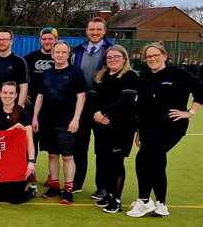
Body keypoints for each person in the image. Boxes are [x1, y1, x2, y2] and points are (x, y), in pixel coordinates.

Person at [126, 42, 203, 218]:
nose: (152, 59)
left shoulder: (178, 73)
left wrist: (190, 112)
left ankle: (144, 201)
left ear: (164, 56)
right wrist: (139, 131)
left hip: (171, 126)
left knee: (144, 157)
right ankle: (161, 203)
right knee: (156, 161)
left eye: (156, 55)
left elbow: (202, 90)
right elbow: (141, 106)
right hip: (148, 127)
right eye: (149, 56)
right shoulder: (145, 78)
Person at [33, 40, 87, 204]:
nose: (60, 55)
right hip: (48, 121)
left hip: (67, 122)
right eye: (57, 52)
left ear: (68, 54)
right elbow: (40, 96)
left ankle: (68, 189)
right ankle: (54, 187)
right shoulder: (47, 73)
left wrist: (76, 119)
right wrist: (35, 117)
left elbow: (81, 97)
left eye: (64, 52)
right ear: (52, 54)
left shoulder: (75, 73)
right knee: (53, 155)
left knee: (67, 157)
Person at [87, 45, 139, 214]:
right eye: (109, 58)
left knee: (116, 163)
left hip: (121, 128)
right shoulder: (101, 76)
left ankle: (116, 200)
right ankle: (109, 195)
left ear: (124, 58)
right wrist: (96, 113)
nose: (112, 60)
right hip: (102, 127)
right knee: (105, 162)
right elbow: (92, 97)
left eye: (116, 57)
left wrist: (104, 113)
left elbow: (127, 100)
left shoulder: (130, 76)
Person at [71, 17, 113, 198]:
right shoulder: (78, 51)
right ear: (87, 31)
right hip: (81, 107)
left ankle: (102, 186)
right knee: (79, 147)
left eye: (98, 30)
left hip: (102, 108)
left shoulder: (111, 51)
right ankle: (77, 182)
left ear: (104, 31)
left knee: (102, 148)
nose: (95, 33)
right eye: (91, 30)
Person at [0, 82, 37, 204]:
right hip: (4, 160)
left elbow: (29, 140)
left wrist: (31, 162)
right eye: (5, 92)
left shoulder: (23, 113)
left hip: (20, 160)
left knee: (15, 199)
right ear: (0, 94)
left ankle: (31, 191)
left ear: (16, 95)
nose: (7, 96)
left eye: (11, 93)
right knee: (0, 197)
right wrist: (12, 129)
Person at [22, 27, 57, 187]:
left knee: (52, 144)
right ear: (40, 40)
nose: (47, 41)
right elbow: (19, 78)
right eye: (45, 39)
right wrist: (23, 93)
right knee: (31, 140)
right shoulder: (30, 58)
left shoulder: (61, 57)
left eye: (50, 39)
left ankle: (52, 176)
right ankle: (31, 171)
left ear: (56, 39)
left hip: (53, 109)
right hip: (32, 108)